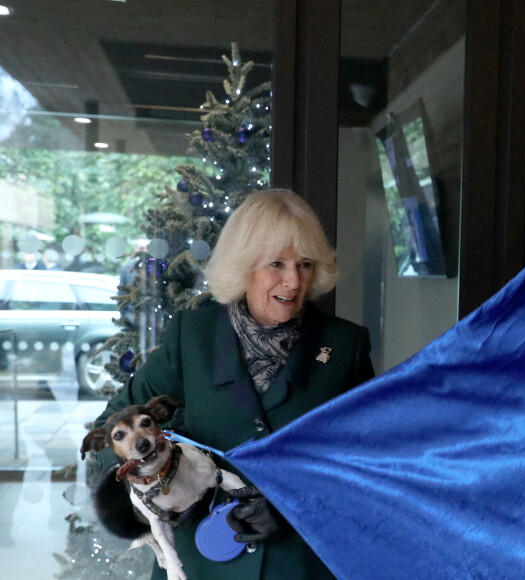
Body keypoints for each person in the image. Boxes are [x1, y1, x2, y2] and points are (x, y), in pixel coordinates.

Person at [92, 189, 375, 579]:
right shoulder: (191, 338)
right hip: (199, 564)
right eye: (276, 263)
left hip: (297, 564)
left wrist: (296, 508)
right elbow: (110, 430)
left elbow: (370, 457)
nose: (293, 281)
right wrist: (151, 487)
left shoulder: (344, 346)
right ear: (244, 266)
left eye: (305, 264)